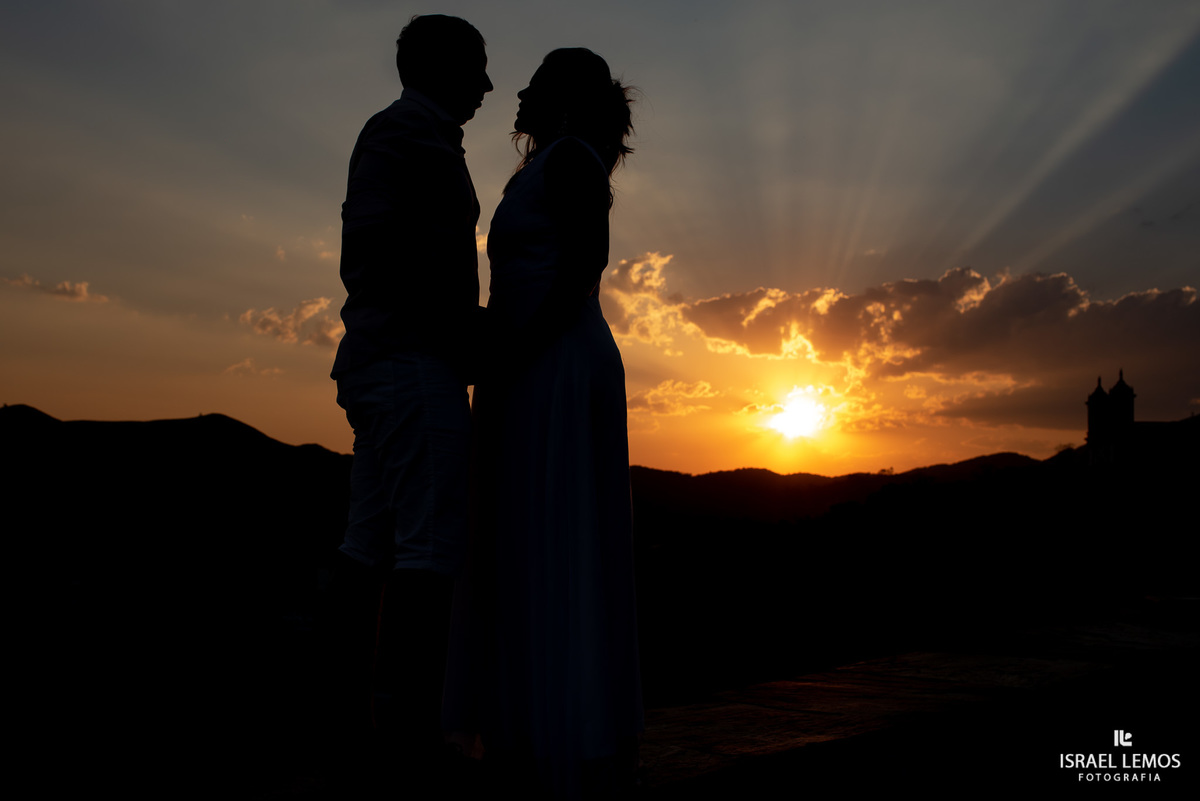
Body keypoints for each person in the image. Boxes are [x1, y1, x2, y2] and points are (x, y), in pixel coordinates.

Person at [444, 48, 643, 799]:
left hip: (555, 366)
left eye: (532, 84)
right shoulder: (542, 166)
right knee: (523, 532)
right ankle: (527, 721)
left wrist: (511, 353)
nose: (515, 93)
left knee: (556, 530)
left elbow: (580, 272)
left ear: (559, 99)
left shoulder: (571, 164)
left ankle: (569, 729)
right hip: (529, 364)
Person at [325, 13, 491, 784]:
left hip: (391, 359)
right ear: (440, 67)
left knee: (371, 541)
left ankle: (354, 717)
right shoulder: (405, 136)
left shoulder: (403, 135)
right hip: (408, 363)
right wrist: (474, 335)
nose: (489, 86)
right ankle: (404, 731)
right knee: (426, 549)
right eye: (477, 68)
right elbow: (399, 258)